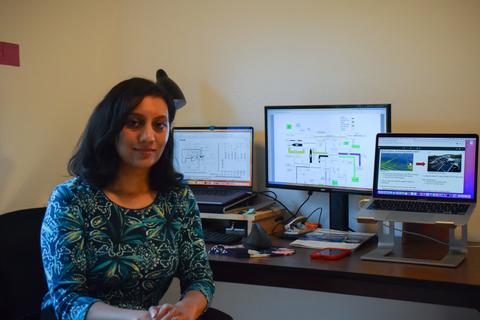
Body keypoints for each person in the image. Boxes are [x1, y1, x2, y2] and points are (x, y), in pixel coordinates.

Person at [40, 76, 214, 320]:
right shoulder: (71, 198)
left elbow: (199, 277)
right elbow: (68, 299)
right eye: (134, 123)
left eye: (159, 125)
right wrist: (137, 318)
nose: (148, 137)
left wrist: (186, 310)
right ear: (109, 129)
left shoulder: (178, 198)